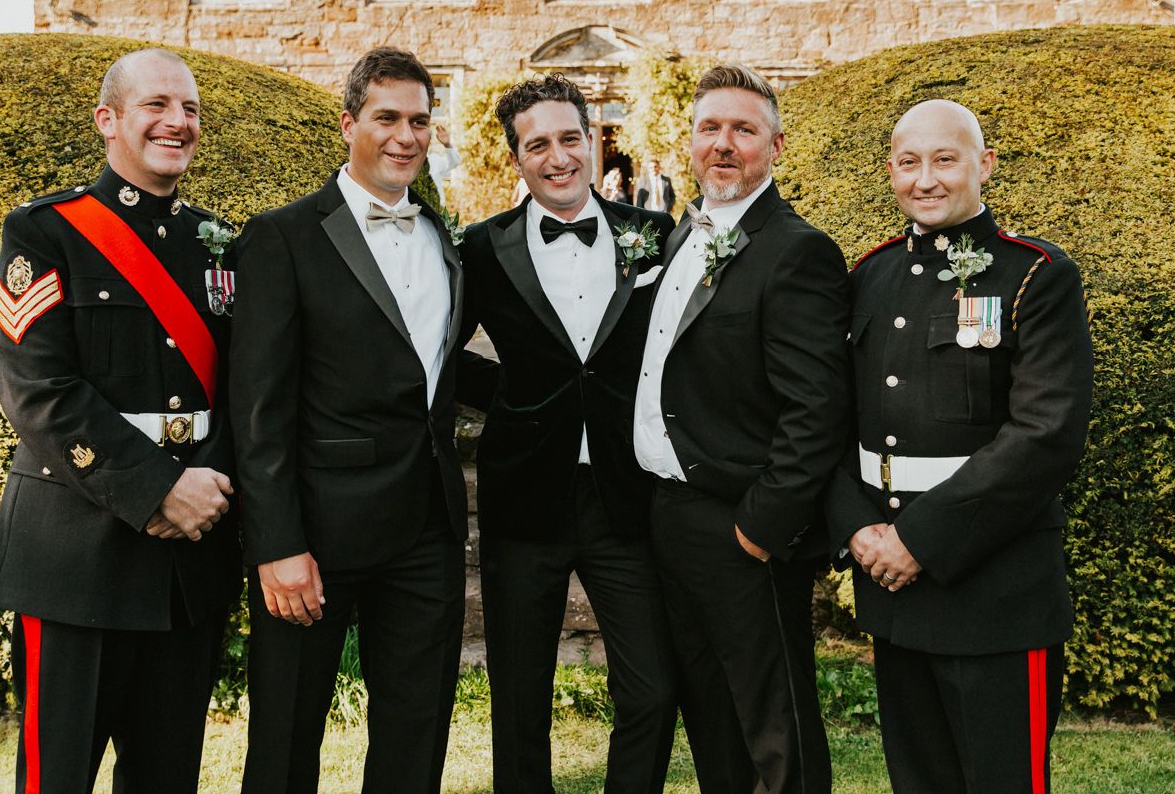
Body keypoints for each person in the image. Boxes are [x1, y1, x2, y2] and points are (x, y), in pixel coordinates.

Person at [0, 48, 240, 793]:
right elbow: (38, 391)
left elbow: (247, 388)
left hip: (186, 568)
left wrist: (211, 486)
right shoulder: (44, 233)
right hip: (75, 559)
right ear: (109, 120)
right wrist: (160, 490)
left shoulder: (219, 244)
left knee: (166, 779)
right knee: (57, 778)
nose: (177, 121)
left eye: (190, 109)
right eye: (156, 105)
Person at [828, 98, 1093, 794]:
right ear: (891, 170)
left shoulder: (1035, 274)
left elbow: (1046, 435)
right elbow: (833, 422)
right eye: (908, 162)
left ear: (985, 165)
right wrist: (855, 526)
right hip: (892, 593)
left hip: (995, 598)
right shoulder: (870, 276)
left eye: (945, 159)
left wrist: (917, 541)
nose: (926, 179)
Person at [230, 47, 467, 793]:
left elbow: (436, 369)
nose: (406, 136)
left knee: (416, 734)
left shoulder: (441, 237)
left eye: (419, 121)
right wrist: (277, 544)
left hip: (426, 529)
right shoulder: (282, 236)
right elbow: (258, 409)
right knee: (286, 734)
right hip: (317, 534)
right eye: (386, 118)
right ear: (348, 124)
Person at [457, 74, 678, 794]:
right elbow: (437, 352)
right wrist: (514, 396)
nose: (558, 157)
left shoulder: (654, 234)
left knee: (652, 688)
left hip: (627, 495)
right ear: (516, 158)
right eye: (538, 145)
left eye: (570, 139)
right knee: (520, 697)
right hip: (524, 497)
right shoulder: (482, 247)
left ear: (591, 140)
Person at [633, 64, 849, 793]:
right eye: (710, 128)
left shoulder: (797, 250)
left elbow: (817, 410)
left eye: (743, 130)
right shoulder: (679, 236)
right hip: (671, 515)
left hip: (742, 528)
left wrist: (761, 527)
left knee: (774, 730)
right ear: (691, 141)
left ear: (776, 147)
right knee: (712, 721)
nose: (723, 144)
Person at [427, 122, 461, 202]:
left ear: (429, 142)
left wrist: (447, 145)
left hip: (436, 208)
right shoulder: (406, 163)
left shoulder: (434, 160)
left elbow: (455, 162)